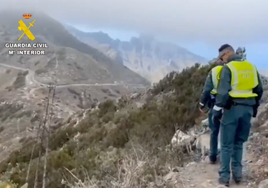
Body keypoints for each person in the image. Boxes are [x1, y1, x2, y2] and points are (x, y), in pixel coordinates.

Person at [212, 44, 263, 186]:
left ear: (228, 53)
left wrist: (217, 110)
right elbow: (259, 90)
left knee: (227, 144)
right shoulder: (251, 67)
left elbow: (222, 93)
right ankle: (238, 175)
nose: (222, 61)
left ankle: (224, 177)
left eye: (222, 57)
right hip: (247, 110)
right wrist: (254, 107)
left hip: (232, 109)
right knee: (239, 143)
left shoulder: (228, 68)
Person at [199, 58, 224, 164]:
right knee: (226, 131)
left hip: (215, 105)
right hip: (228, 106)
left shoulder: (213, 72)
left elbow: (207, 90)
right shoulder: (230, 71)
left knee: (214, 131)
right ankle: (225, 155)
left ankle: (213, 156)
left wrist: (202, 104)